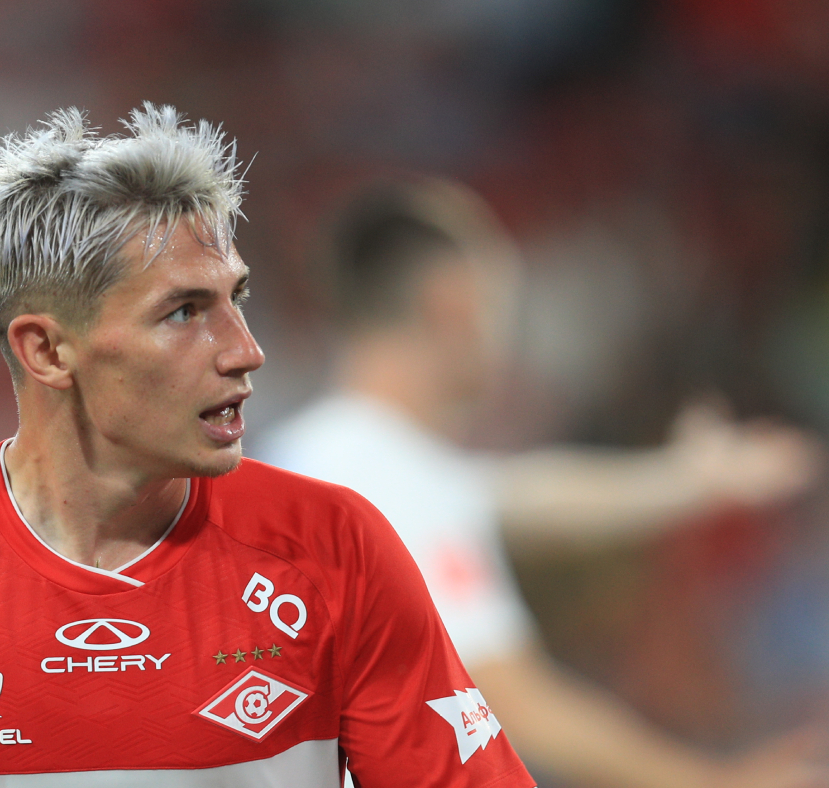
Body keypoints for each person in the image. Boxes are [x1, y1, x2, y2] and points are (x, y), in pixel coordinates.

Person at [0, 105, 535, 787]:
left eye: (235, 299)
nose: (246, 350)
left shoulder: (335, 551)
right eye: (184, 312)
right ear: (47, 351)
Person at [259, 178, 829, 788]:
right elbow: (511, 701)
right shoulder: (379, 478)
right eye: (500, 301)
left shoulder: (322, 454)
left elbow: (524, 496)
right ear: (452, 303)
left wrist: (685, 481)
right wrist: (715, 783)